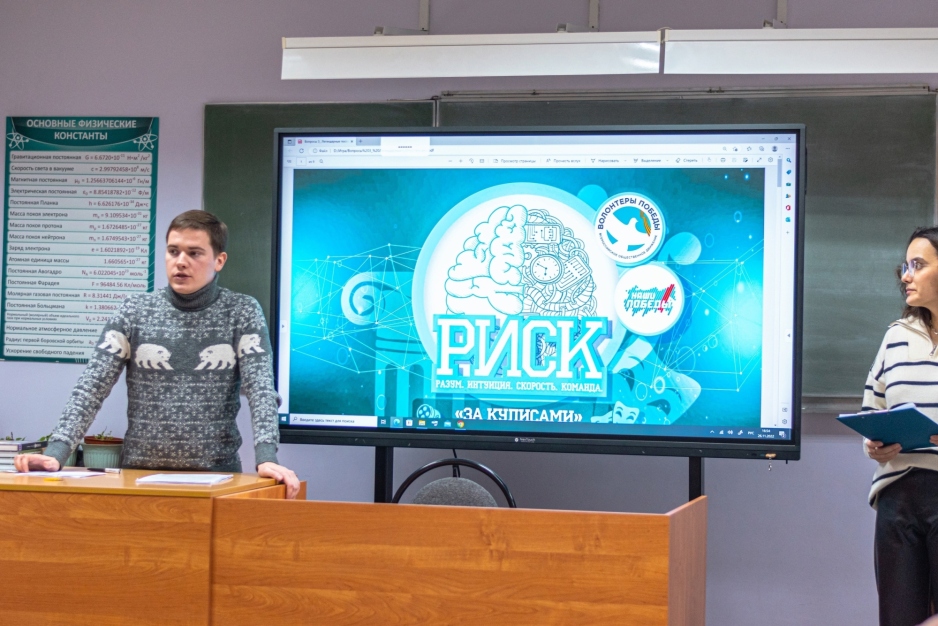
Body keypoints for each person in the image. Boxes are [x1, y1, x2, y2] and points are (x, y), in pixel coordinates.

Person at [14, 210, 300, 499]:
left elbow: (261, 389)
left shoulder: (241, 312)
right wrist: (57, 452)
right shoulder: (134, 311)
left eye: (194, 253)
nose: (181, 261)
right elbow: (92, 386)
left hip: (219, 479)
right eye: (173, 251)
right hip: (138, 478)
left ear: (219, 260)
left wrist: (266, 457)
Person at [863, 226, 938, 626]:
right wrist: (874, 445)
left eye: (918, 265)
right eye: (905, 266)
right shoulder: (896, 336)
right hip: (897, 496)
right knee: (898, 617)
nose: (906, 276)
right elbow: (872, 408)